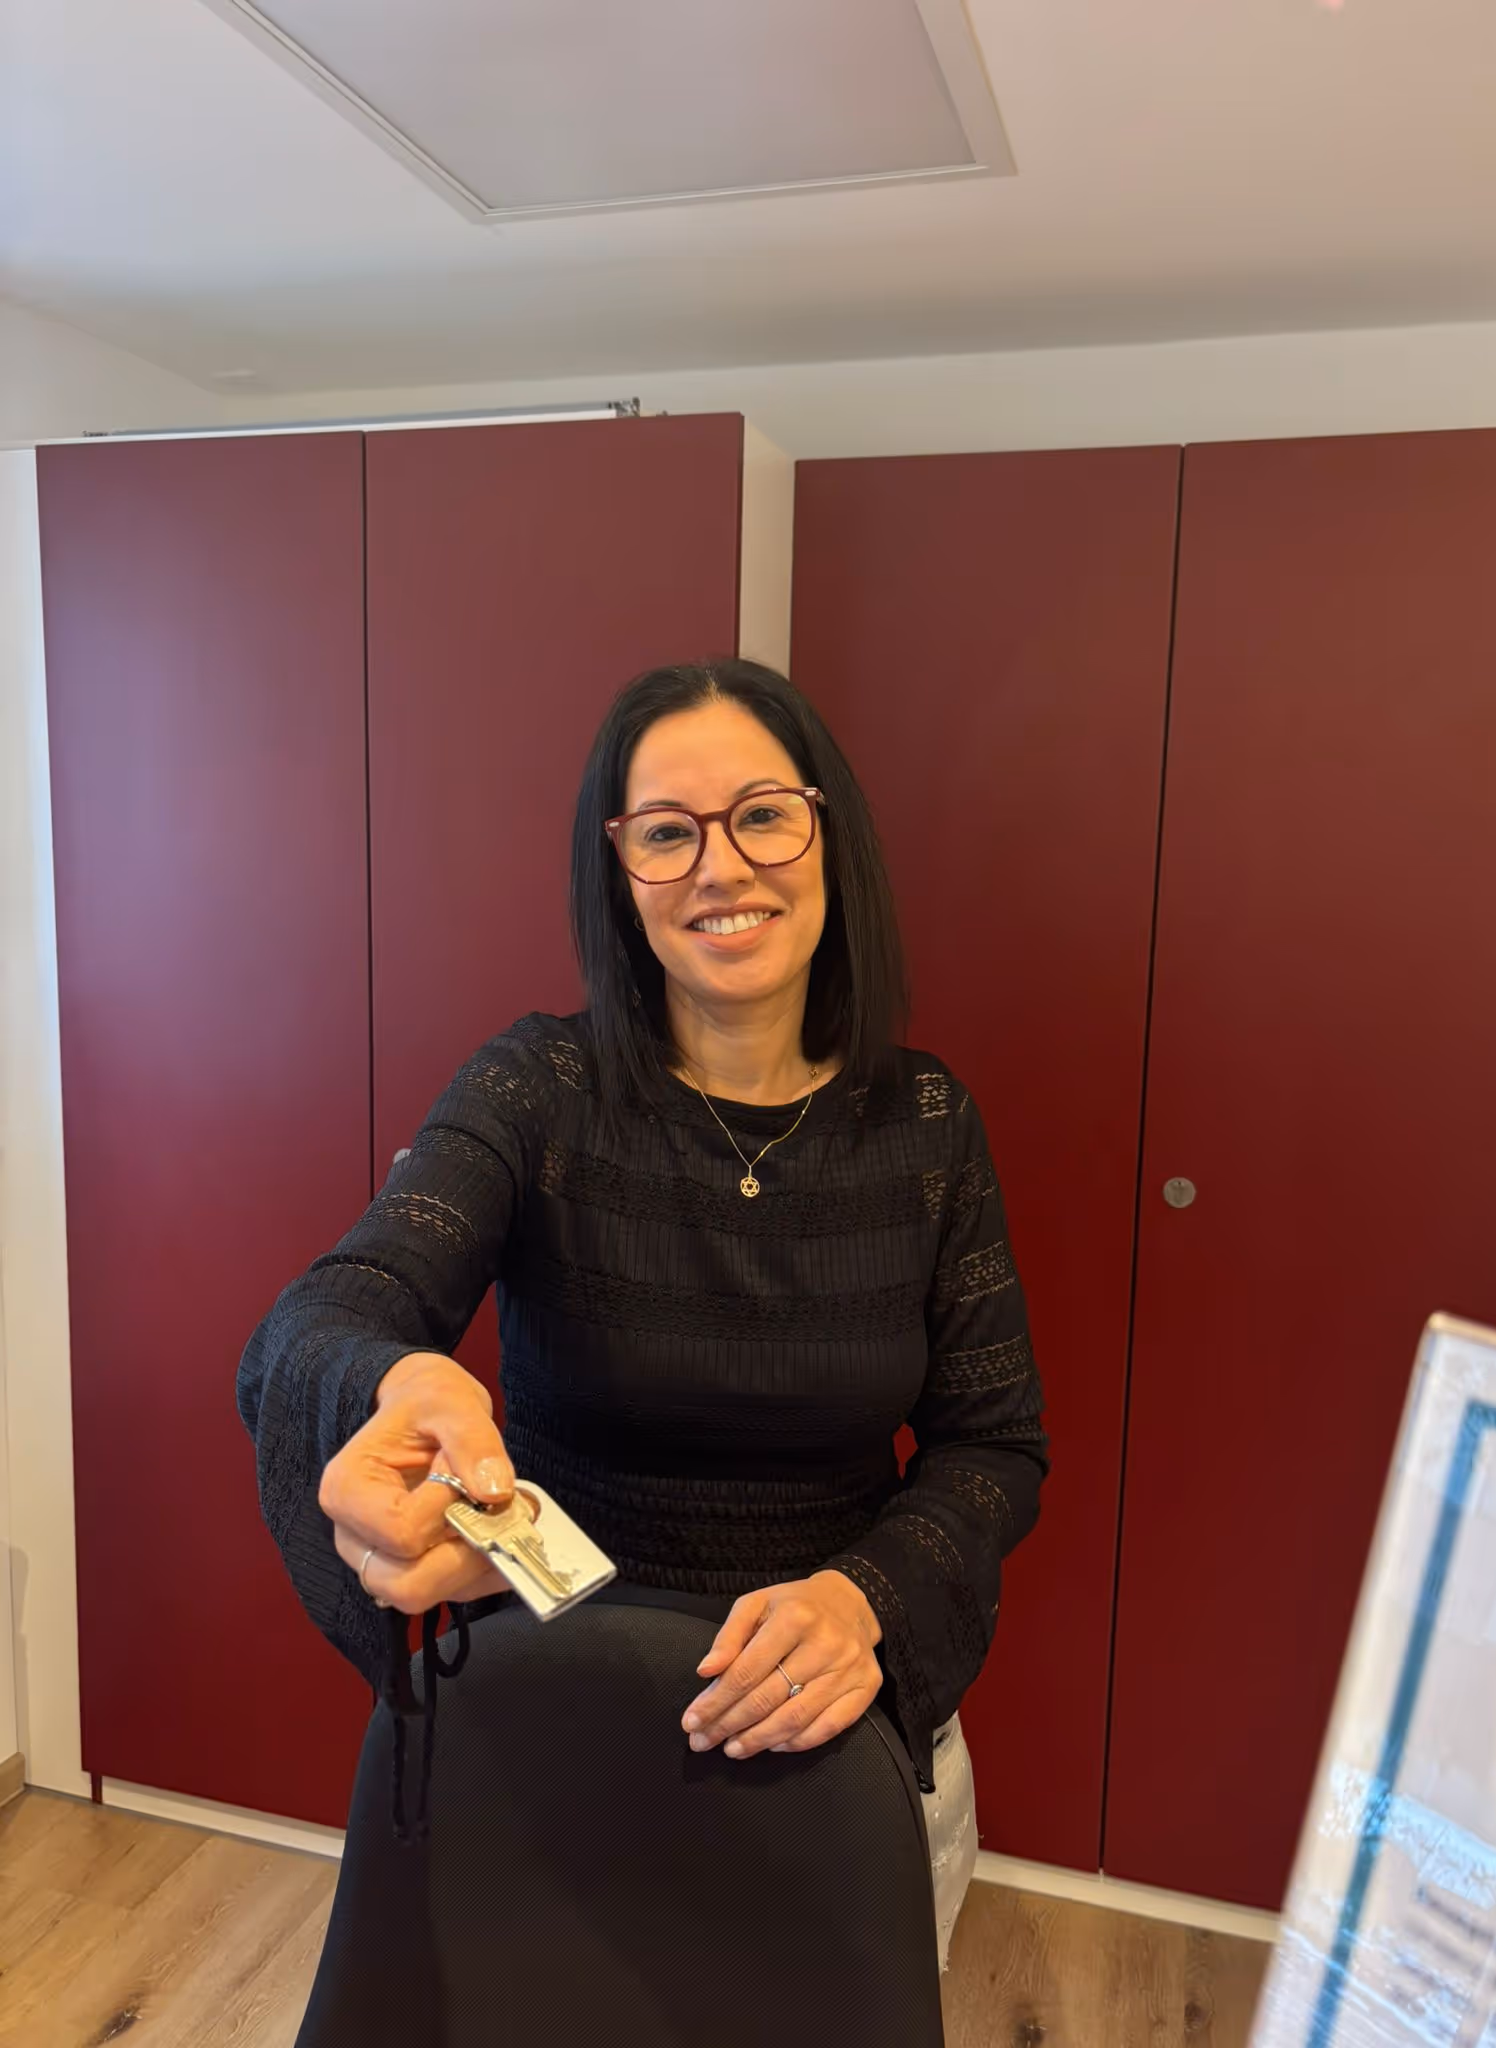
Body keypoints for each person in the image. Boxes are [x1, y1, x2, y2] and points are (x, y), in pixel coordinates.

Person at [238, 657, 1049, 2023]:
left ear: (827, 835)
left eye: (761, 816)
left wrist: (868, 1599)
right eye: (666, 831)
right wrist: (399, 1377)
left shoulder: (926, 1124)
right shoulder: (536, 1089)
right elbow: (330, 1309)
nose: (718, 865)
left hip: (836, 1740)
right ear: (618, 872)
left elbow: (994, 1444)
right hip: (554, 1728)